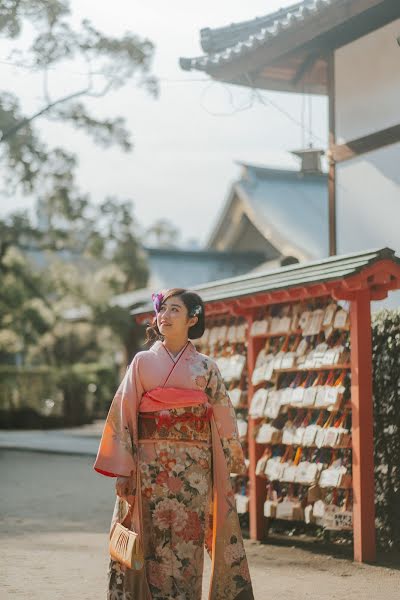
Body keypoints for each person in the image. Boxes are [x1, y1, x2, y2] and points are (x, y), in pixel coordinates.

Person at [93, 287, 254, 600]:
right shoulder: (141, 362)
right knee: (148, 542)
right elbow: (124, 413)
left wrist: (229, 462)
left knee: (186, 541)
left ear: (193, 318)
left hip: (193, 471)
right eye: (162, 309)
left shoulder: (206, 368)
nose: (164, 316)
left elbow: (223, 416)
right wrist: (123, 469)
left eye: (174, 310)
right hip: (147, 467)